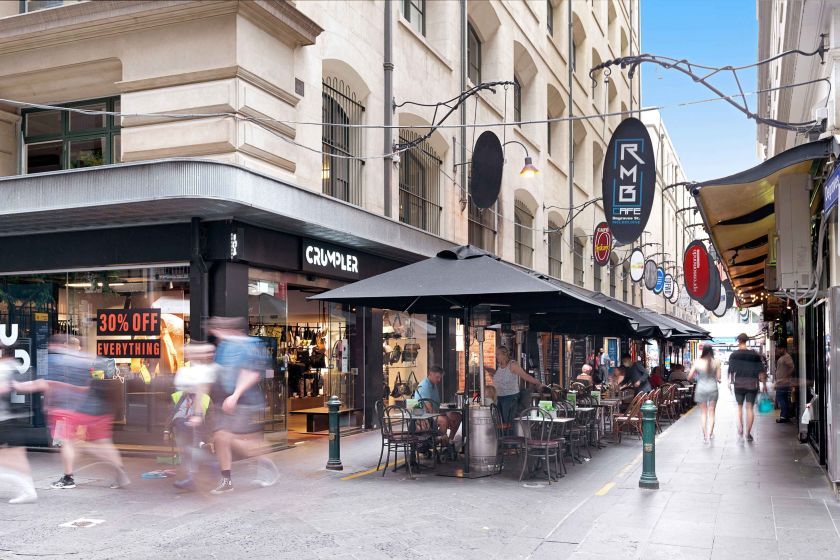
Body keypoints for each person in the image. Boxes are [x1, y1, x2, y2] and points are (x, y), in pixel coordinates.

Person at [14, 335, 129, 490]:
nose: (50, 348)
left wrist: (19, 386)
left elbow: (45, 384)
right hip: (98, 408)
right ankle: (119, 471)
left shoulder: (55, 360)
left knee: (65, 442)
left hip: (65, 410)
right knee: (102, 441)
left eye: (51, 345)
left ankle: (68, 478)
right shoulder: (86, 359)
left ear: (58, 345)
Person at [208, 316, 279, 494]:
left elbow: (252, 374)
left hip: (244, 401)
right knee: (221, 437)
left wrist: (235, 395)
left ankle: (264, 461)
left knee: (234, 439)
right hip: (224, 400)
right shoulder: (223, 346)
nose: (215, 333)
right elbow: (218, 371)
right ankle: (227, 480)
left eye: (217, 329)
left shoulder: (250, 345)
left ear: (231, 330)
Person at [168, 342, 216, 491]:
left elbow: (200, 392)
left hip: (196, 412)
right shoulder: (187, 370)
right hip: (185, 415)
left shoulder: (204, 371)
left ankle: (206, 468)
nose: (186, 352)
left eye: (189, 350)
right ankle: (194, 475)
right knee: (187, 447)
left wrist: (197, 414)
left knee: (193, 445)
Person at [0, 357, 37, 504]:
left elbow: (3, 388)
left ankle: (28, 490)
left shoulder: (4, 367)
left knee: (10, 458)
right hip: (13, 417)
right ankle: (28, 490)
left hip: (4, 419)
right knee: (17, 457)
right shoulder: (11, 365)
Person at [485, 346, 546, 425]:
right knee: (500, 422)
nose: (496, 356)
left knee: (507, 423)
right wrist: (487, 369)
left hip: (510, 398)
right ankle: (503, 437)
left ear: (504, 355)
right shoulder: (500, 367)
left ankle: (509, 437)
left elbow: (525, 376)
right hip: (499, 397)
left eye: (498, 354)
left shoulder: (512, 364)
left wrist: (538, 382)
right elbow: (499, 377)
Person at [728, 333, 767, 442]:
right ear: (747, 341)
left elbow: (731, 371)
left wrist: (729, 382)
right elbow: (761, 371)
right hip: (752, 384)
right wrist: (763, 384)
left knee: (739, 407)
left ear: (738, 341)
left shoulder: (734, 355)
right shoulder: (754, 355)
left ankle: (740, 427)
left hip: (739, 383)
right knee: (749, 408)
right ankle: (748, 433)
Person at [414, 366, 461, 441]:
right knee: (444, 420)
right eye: (437, 377)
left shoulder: (433, 384)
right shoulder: (424, 386)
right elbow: (429, 409)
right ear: (430, 374)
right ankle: (437, 441)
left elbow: (435, 404)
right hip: (421, 414)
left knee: (457, 416)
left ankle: (449, 440)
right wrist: (446, 417)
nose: (439, 380)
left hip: (432, 412)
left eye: (440, 377)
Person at [689, 345, 721, 443]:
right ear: (712, 351)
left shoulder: (697, 362)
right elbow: (718, 377)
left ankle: (705, 435)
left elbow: (689, 377)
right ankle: (710, 434)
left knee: (703, 413)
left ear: (703, 351)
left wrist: (698, 377)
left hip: (701, 389)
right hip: (713, 389)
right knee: (712, 413)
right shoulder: (716, 362)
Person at [774, 345, 795, 423]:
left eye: (780, 349)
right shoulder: (783, 357)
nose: (778, 350)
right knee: (784, 399)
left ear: (784, 349)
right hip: (781, 382)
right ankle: (785, 416)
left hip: (783, 382)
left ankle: (784, 417)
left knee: (781, 399)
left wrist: (785, 377)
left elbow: (792, 367)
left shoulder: (787, 357)